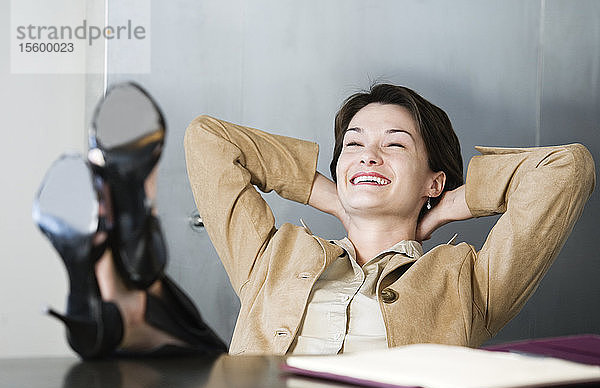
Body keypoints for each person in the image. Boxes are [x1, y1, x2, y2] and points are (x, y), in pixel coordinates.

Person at [183, 84, 595, 355]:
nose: (368, 155)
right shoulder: (271, 257)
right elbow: (208, 139)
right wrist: (334, 198)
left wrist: (448, 206)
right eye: (354, 143)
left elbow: (567, 167)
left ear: (434, 182)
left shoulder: (466, 281)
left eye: (394, 144)